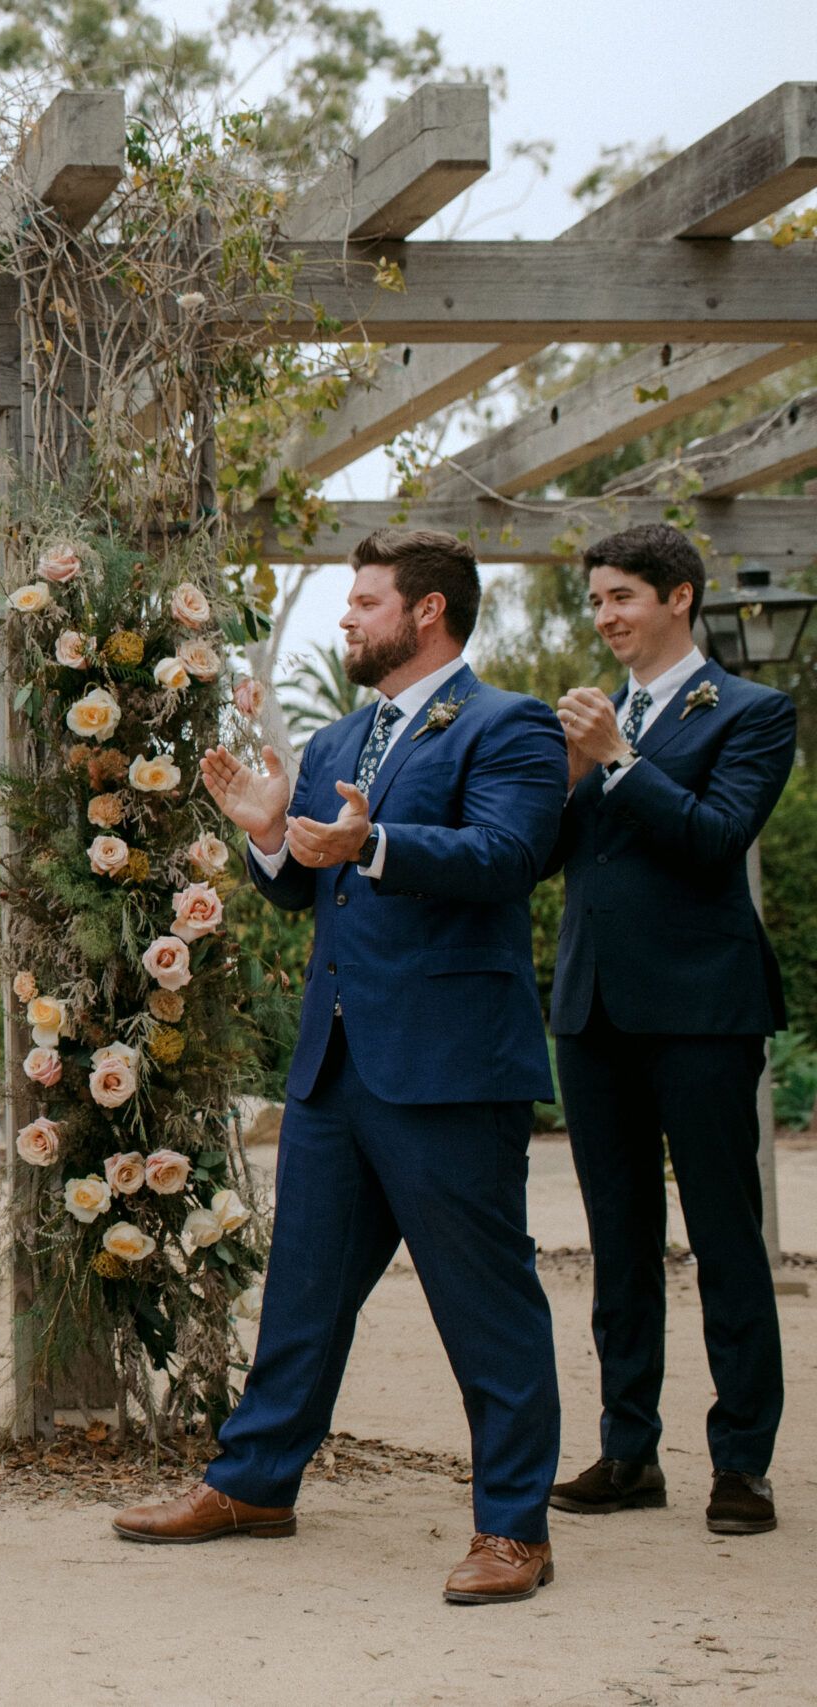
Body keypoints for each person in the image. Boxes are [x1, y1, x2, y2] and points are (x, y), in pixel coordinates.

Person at [111, 529, 568, 1605]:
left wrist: (368, 844)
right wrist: (272, 838)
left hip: (452, 1070)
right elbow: (309, 886)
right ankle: (254, 1483)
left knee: (486, 1306)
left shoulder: (510, 726)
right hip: (336, 1066)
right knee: (303, 1298)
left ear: (427, 614)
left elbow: (506, 860)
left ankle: (514, 1530)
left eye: (365, 602)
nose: (346, 619)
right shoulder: (333, 742)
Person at [545, 523, 792, 1538]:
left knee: (726, 1241)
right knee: (619, 1245)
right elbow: (551, 853)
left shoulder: (753, 712)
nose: (604, 617)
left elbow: (712, 841)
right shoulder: (587, 721)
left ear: (678, 598)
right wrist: (564, 773)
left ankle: (740, 1464)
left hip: (700, 1009)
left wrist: (616, 757)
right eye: (596, 600)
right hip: (592, 1008)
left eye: (621, 598)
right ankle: (629, 1450)